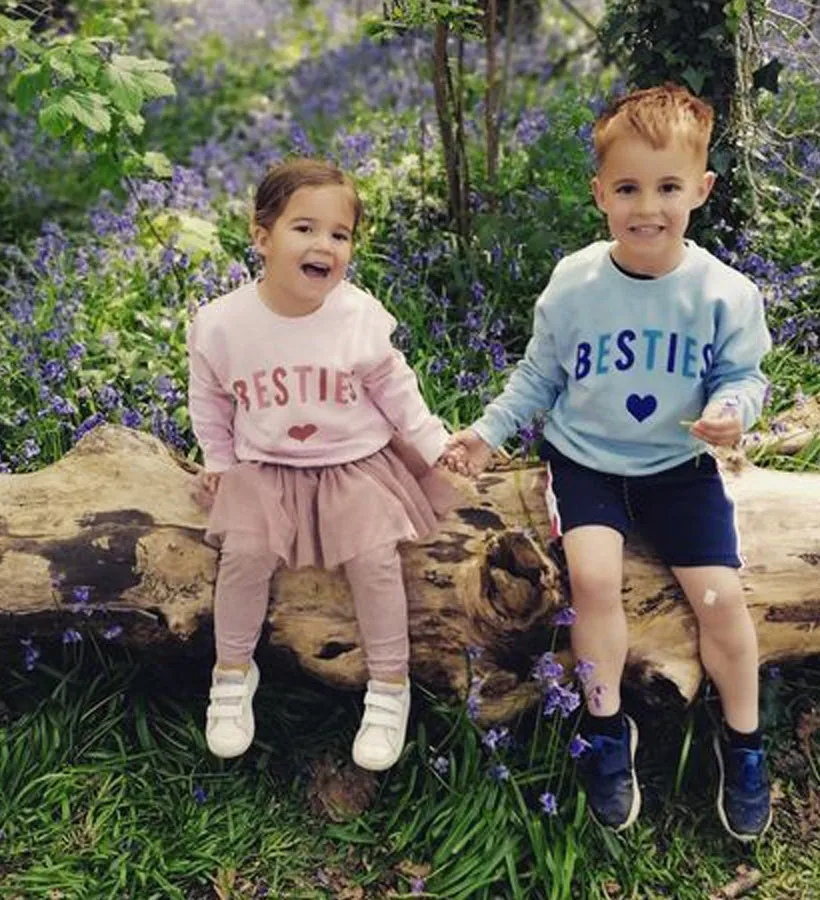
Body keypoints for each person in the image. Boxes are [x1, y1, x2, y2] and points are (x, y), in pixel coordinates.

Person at [444, 83, 773, 841]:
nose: (647, 207)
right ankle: (604, 728)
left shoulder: (725, 292)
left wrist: (733, 414)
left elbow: (745, 376)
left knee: (721, 598)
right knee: (591, 581)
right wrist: (488, 434)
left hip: (680, 467)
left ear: (702, 189)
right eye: (627, 188)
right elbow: (539, 375)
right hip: (587, 463)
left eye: (667, 187)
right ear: (600, 194)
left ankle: (745, 740)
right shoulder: (576, 282)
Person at [188, 157, 458, 772]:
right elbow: (208, 396)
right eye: (304, 228)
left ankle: (390, 685)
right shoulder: (224, 323)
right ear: (262, 236)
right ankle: (232, 672)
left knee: (374, 561)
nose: (324, 245)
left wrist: (432, 440)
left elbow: (397, 389)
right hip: (266, 466)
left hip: (352, 464)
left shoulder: (355, 316)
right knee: (245, 556)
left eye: (339, 235)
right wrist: (219, 459)